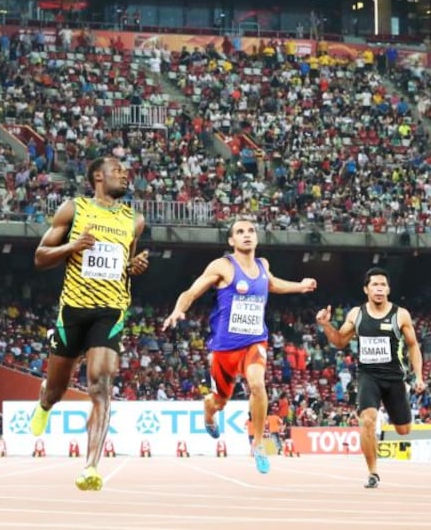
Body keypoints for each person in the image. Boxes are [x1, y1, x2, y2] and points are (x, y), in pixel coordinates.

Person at [29, 156, 149, 491]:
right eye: (117, 171)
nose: (124, 175)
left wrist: (133, 267)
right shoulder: (74, 209)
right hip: (73, 311)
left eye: (127, 171)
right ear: (97, 176)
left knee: (101, 384)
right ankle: (45, 403)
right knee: (57, 388)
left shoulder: (133, 220)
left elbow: (124, 265)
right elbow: (40, 257)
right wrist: (74, 245)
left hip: (110, 311)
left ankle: (91, 467)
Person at [162, 218, 317, 474]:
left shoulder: (262, 264)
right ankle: (208, 411)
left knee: (257, 385)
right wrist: (179, 309)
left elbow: (272, 283)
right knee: (220, 401)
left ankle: (258, 444)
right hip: (225, 349)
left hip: (255, 341)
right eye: (240, 232)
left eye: (251, 231)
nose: (247, 235)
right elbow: (192, 291)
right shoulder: (223, 266)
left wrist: (300, 286)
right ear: (231, 241)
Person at [315, 267, 426, 488]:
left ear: (389, 289)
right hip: (369, 376)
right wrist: (326, 325)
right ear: (366, 289)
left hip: (394, 378)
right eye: (375, 285)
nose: (379, 289)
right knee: (367, 421)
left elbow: (414, 346)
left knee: (404, 430)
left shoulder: (400, 314)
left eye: (383, 285)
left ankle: (395, 414)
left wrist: (419, 377)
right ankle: (373, 472)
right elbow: (339, 342)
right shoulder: (357, 314)